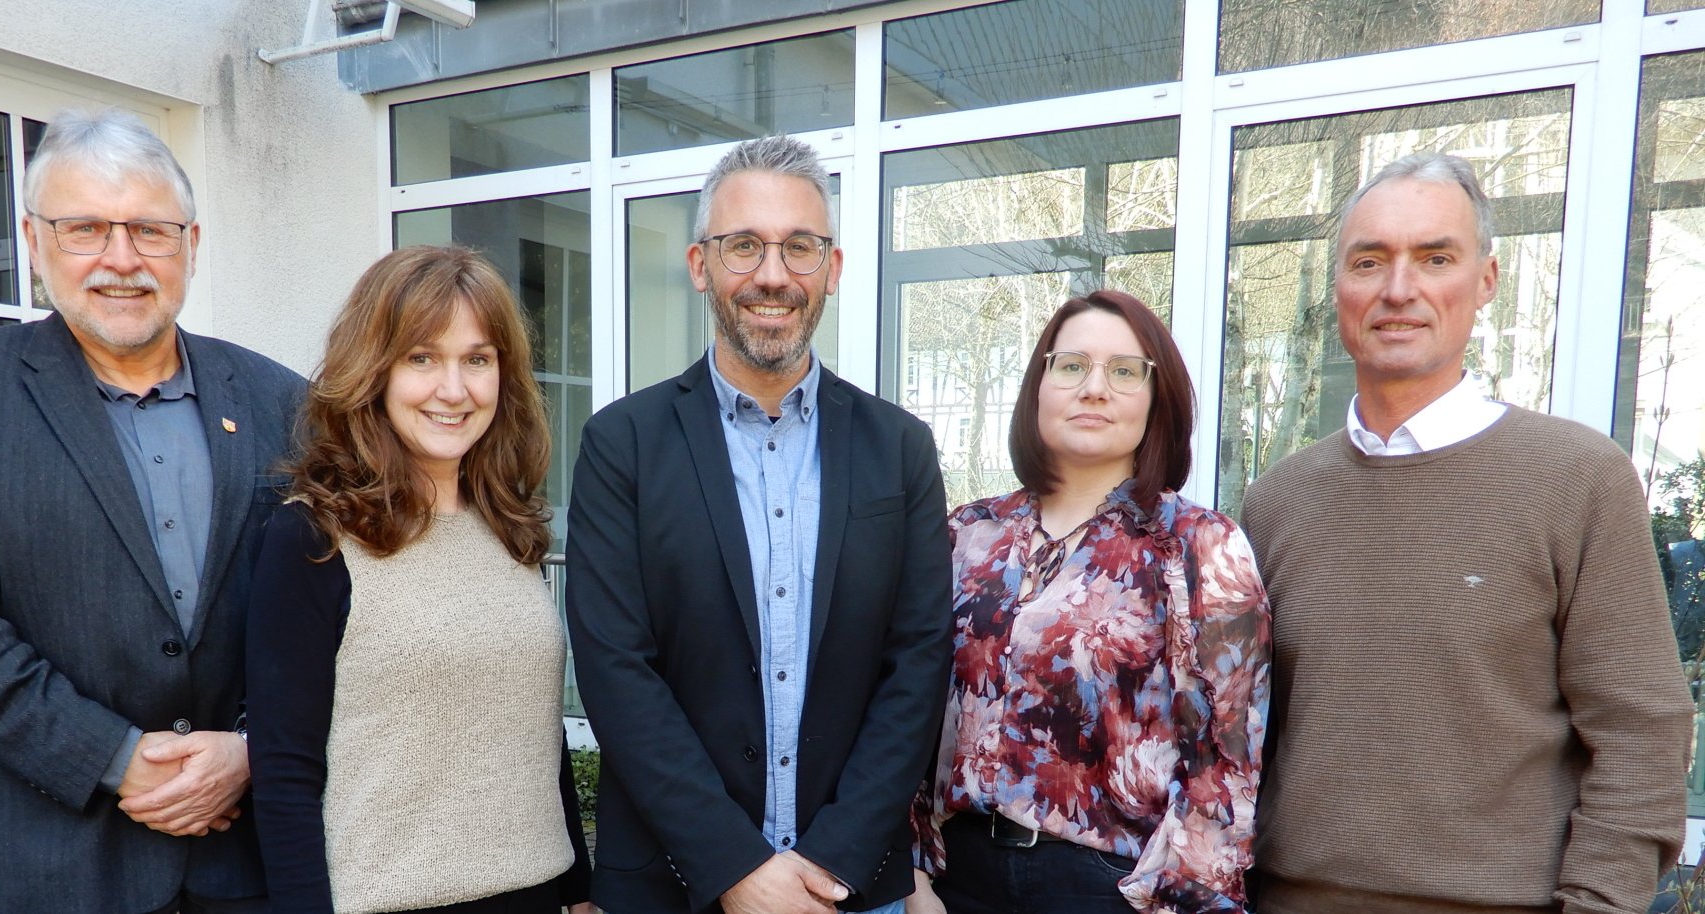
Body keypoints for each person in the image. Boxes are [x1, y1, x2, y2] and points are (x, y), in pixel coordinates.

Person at [1240, 152, 1693, 914]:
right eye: (1369, 261)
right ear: (1340, 289)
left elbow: (1640, 730)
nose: (1398, 289)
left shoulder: (1578, 479)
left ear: (1485, 280)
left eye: (1435, 257)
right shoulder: (1276, 502)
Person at [0, 108, 304, 914]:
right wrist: (116, 757)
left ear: (191, 243)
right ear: (35, 242)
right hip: (66, 863)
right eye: (85, 229)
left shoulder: (279, 398)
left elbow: (319, 608)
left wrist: (252, 747)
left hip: (251, 856)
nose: (122, 260)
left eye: (151, 230)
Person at [565, 134, 953, 914]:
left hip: (850, 887)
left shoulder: (900, 447)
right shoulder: (622, 445)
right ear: (701, 264)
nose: (772, 275)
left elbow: (917, 667)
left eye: (799, 248)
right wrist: (734, 866)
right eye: (744, 246)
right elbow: (616, 671)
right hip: (676, 884)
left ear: (832, 270)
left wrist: (832, 860)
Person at [244, 245, 594, 914]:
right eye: (422, 358)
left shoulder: (511, 526)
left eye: (478, 359)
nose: (454, 390)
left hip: (535, 892)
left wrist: (578, 892)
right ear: (373, 371)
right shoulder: (313, 538)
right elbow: (284, 774)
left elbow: (532, 733)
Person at [904, 290, 1271, 914]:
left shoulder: (1197, 546)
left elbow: (1227, 763)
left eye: (1125, 371)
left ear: (1159, 399)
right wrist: (912, 881)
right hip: (955, 881)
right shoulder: (965, 536)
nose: (1094, 388)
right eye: (1071, 365)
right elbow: (905, 708)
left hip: (1112, 887)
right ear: (1038, 387)